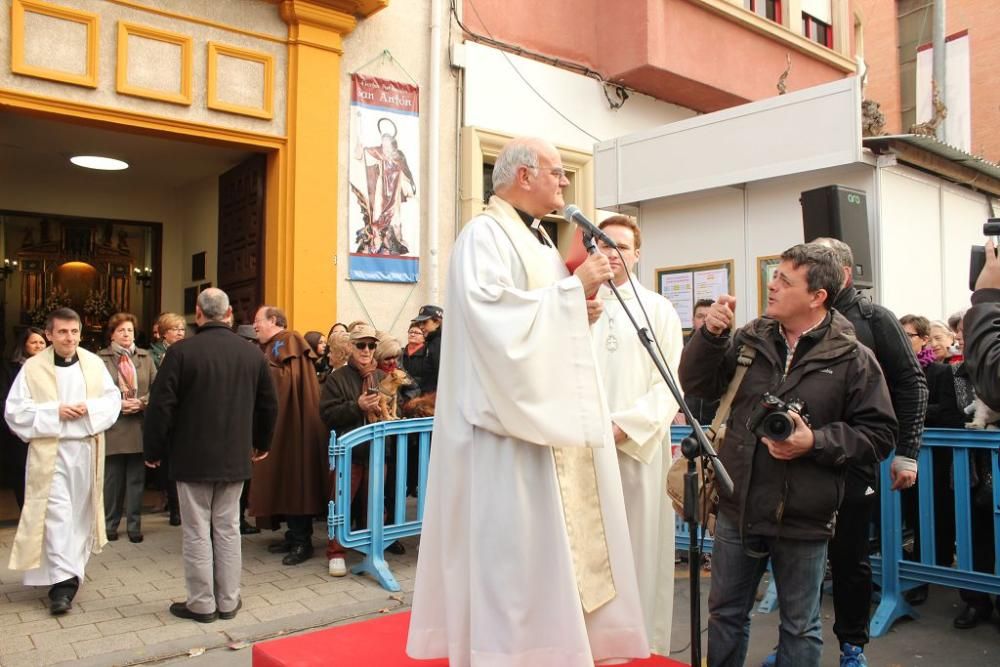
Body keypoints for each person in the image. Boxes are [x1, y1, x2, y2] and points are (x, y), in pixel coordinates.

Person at [407, 137, 649, 665]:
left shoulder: (537, 240)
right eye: (558, 172)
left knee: (544, 552)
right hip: (501, 429)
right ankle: (506, 652)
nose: (565, 182)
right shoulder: (483, 235)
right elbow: (493, 319)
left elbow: (534, 313)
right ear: (523, 176)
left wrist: (573, 310)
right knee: (511, 554)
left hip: (540, 422)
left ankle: (551, 648)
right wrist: (573, 290)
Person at [679, 244, 896, 667]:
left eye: (784, 280)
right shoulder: (750, 338)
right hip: (737, 504)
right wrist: (710, 337)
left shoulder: (853, 358)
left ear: (818, 296)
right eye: (773, 276)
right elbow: (697, 384)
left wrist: (813, 441)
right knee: (724, 615)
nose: (771, 286)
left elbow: (880, 434)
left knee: (800, 626)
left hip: (804, 516)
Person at [806, 237, 928, 667]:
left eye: (817, 265)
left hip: (853, 460)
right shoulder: (799, 315)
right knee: (795, 556)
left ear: (841, 274)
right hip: (799, 459)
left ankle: (852, 647)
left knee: (849, 557)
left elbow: (913, 384)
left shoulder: (875, 318)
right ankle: (798, 645)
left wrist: (906, 452)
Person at [144, 288, 278, 623]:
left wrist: (154, 450)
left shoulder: (180, 353)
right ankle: (229, 600)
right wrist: (262, 443)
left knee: (196, 531)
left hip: (191, 459)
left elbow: (161, 407)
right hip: (234, 457)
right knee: (228, 528)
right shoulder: (251, 354)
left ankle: (202, 603)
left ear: (198, 314)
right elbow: (268, 405)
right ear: (229, 313)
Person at [591, 214, 684, 655]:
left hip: (635, 449)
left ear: (637, 254)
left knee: (639, 550)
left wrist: (622, 426)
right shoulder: (578, 304)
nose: (610, 255)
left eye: (620, 247)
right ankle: (588, 644)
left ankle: (641, 645)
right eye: (603, 247)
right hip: (582, 446)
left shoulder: (658, 308)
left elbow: (669, 385)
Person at [5, 308, 121, 615]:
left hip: (85, 450)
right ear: (49, 334)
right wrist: (54, 411)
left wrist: (88, 409)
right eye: (62, 332)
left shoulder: (94, 364)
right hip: (49, 453)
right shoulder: (32, 368)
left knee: (80, 515)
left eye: (74, 332)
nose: (69, 338)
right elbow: (14, 412)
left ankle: (69, 571)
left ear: (80, 333)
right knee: (56, 515)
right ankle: (63, 586)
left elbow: (112, 401)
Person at [251, 306, 328, 566]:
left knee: (296, 480)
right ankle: (291, 534)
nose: (255, 326)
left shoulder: (290, 340)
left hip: (295, 426)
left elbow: (286, 381)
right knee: (281, 478)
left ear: (274, 321)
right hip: (281, 423)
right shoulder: (273, 345)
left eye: (258, 321)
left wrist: (259, 369)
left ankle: (301, 541)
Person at [320, 324, 385, 577]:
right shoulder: (337, 378)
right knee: (340, 505)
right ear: (350, 347)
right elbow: (327, 414)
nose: (367, 350)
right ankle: (336, 553)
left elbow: (394, 406)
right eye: (361, 345)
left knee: (377, 504)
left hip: (378, 452)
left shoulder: (381, 376)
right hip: (349, 455)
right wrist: (356, 406)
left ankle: (374, 549)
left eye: (371, 345)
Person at [98, 313, 157, 544]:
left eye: (130, 330)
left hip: (138, 426)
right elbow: (93, 390)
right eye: (121, 330)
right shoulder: (99, 359)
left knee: (136, 480)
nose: (126, 334)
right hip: (113, 425)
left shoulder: (146, 357)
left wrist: (142, 402)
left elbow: (158, 387)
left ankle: (134, 526)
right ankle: (109, 525)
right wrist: (117, 404)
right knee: (112, 481)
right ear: (111, 334)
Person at [0, 327, 47, 510]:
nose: (38, 346)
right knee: (22, 475)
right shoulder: (10, 367)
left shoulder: (52, 367)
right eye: (33, 342)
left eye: (42, 342)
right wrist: (12, 423)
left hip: (44, 429)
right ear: (24, 345)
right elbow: (3, 398)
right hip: (19, 432)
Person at [149, 311, 185, 526]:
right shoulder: (154, 355)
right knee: (169, 463)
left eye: (182, 329)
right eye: (175, 329)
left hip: (183, 413)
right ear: (163, 333)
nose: (180, 333)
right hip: (165, 412)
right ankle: (174, 507)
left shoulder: (188, 350)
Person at [683, 298, 721, 425]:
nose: (705, 320)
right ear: (693, 321)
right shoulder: (679, 346)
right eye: (700, 316)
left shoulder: (725, 346)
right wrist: (676, 411)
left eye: (709, 316)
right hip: (684, 421)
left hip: (716, 420)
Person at [410, 305, 443, 393]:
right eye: (419, 323)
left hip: (434, 399)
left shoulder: (439, 343)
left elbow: (443, 378)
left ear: (437, 322)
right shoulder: (432, 342)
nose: (421, 326)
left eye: (424, 322)